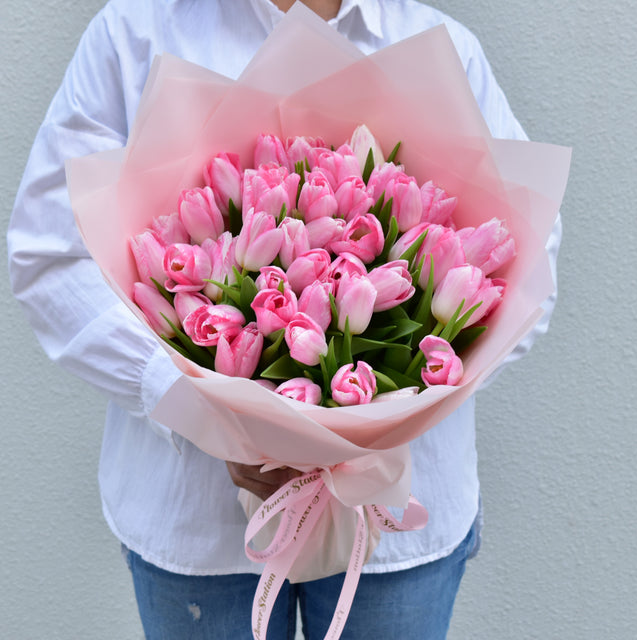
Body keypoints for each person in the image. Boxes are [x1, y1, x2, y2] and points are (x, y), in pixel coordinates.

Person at [7, 1, 561, 638]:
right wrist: (196, 408)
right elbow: (51, 254)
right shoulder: (133, 33)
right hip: (197, 529)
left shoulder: (440, 45)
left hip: (398, 528)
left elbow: (526, 252)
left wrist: (384, 420)